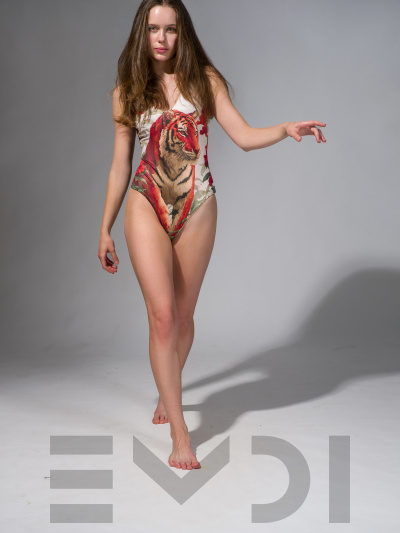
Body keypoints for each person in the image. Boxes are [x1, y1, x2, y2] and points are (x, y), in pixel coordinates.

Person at [98, 0, 326, 471]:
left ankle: (168, 388)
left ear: (182, 33)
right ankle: (180, 430)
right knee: (162, 317)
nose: (162, 39)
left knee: (183, 317)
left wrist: (285, 128)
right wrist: (104, 227)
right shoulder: (127, 91)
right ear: (142, 33)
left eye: (171, 29)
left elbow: (242, 136)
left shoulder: (205, 80)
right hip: (145, 201)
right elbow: (121, 165)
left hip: (198, 203)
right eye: (154, 29)